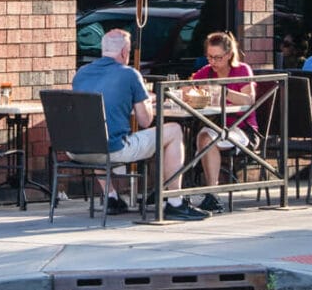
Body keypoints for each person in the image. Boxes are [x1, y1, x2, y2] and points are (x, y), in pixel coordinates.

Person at [71, 28, 209, 221]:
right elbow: (146, 121)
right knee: (174, 130)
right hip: (112, 149)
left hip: (76, 148)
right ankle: (175, 202)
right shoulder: (130, 74)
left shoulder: (81, 74)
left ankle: (111, 197)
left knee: (97, 130)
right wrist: (144, 100)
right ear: (124, 53)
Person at [188, 31, 257, 214]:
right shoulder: (206, 71)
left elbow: (249, 100)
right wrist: (189, 92)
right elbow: (188, 88)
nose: (213, 62)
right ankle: (177, 194)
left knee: (205, 138)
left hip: (242, 128)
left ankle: (213, 194)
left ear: (228, 55)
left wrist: (223, 92)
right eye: (209, 57)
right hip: (214, 125)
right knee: (188, 136)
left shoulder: (241, 70)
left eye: (218, 57)